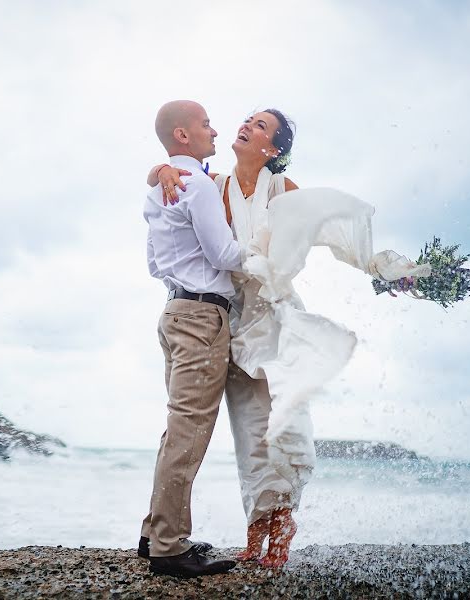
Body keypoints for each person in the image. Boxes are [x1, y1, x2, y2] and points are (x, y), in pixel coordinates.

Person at [149, 110, 430, 567]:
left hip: (271, 319)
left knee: (278, 424)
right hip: (228, 323)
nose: (245, 126)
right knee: (247, 432)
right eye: (247, 119)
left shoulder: (283, 191)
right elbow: (171, 173)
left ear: (274, 150)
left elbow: (338, 238)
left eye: (260, 126)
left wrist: (387, 269)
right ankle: (255, 527)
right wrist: (160, 169)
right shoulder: (212, 183)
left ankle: (281, 523)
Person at [139, 100, 241, 578]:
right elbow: (223, 254)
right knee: (188, 431)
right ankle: (168, 547)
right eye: (205, 124)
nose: (214, 131)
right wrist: (266, 251)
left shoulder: (158, 190)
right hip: (201, 317)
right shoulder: (196, 187)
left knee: (176, 429)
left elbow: (155, 265)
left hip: (174, 311)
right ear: (182, 135)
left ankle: (154, 532)